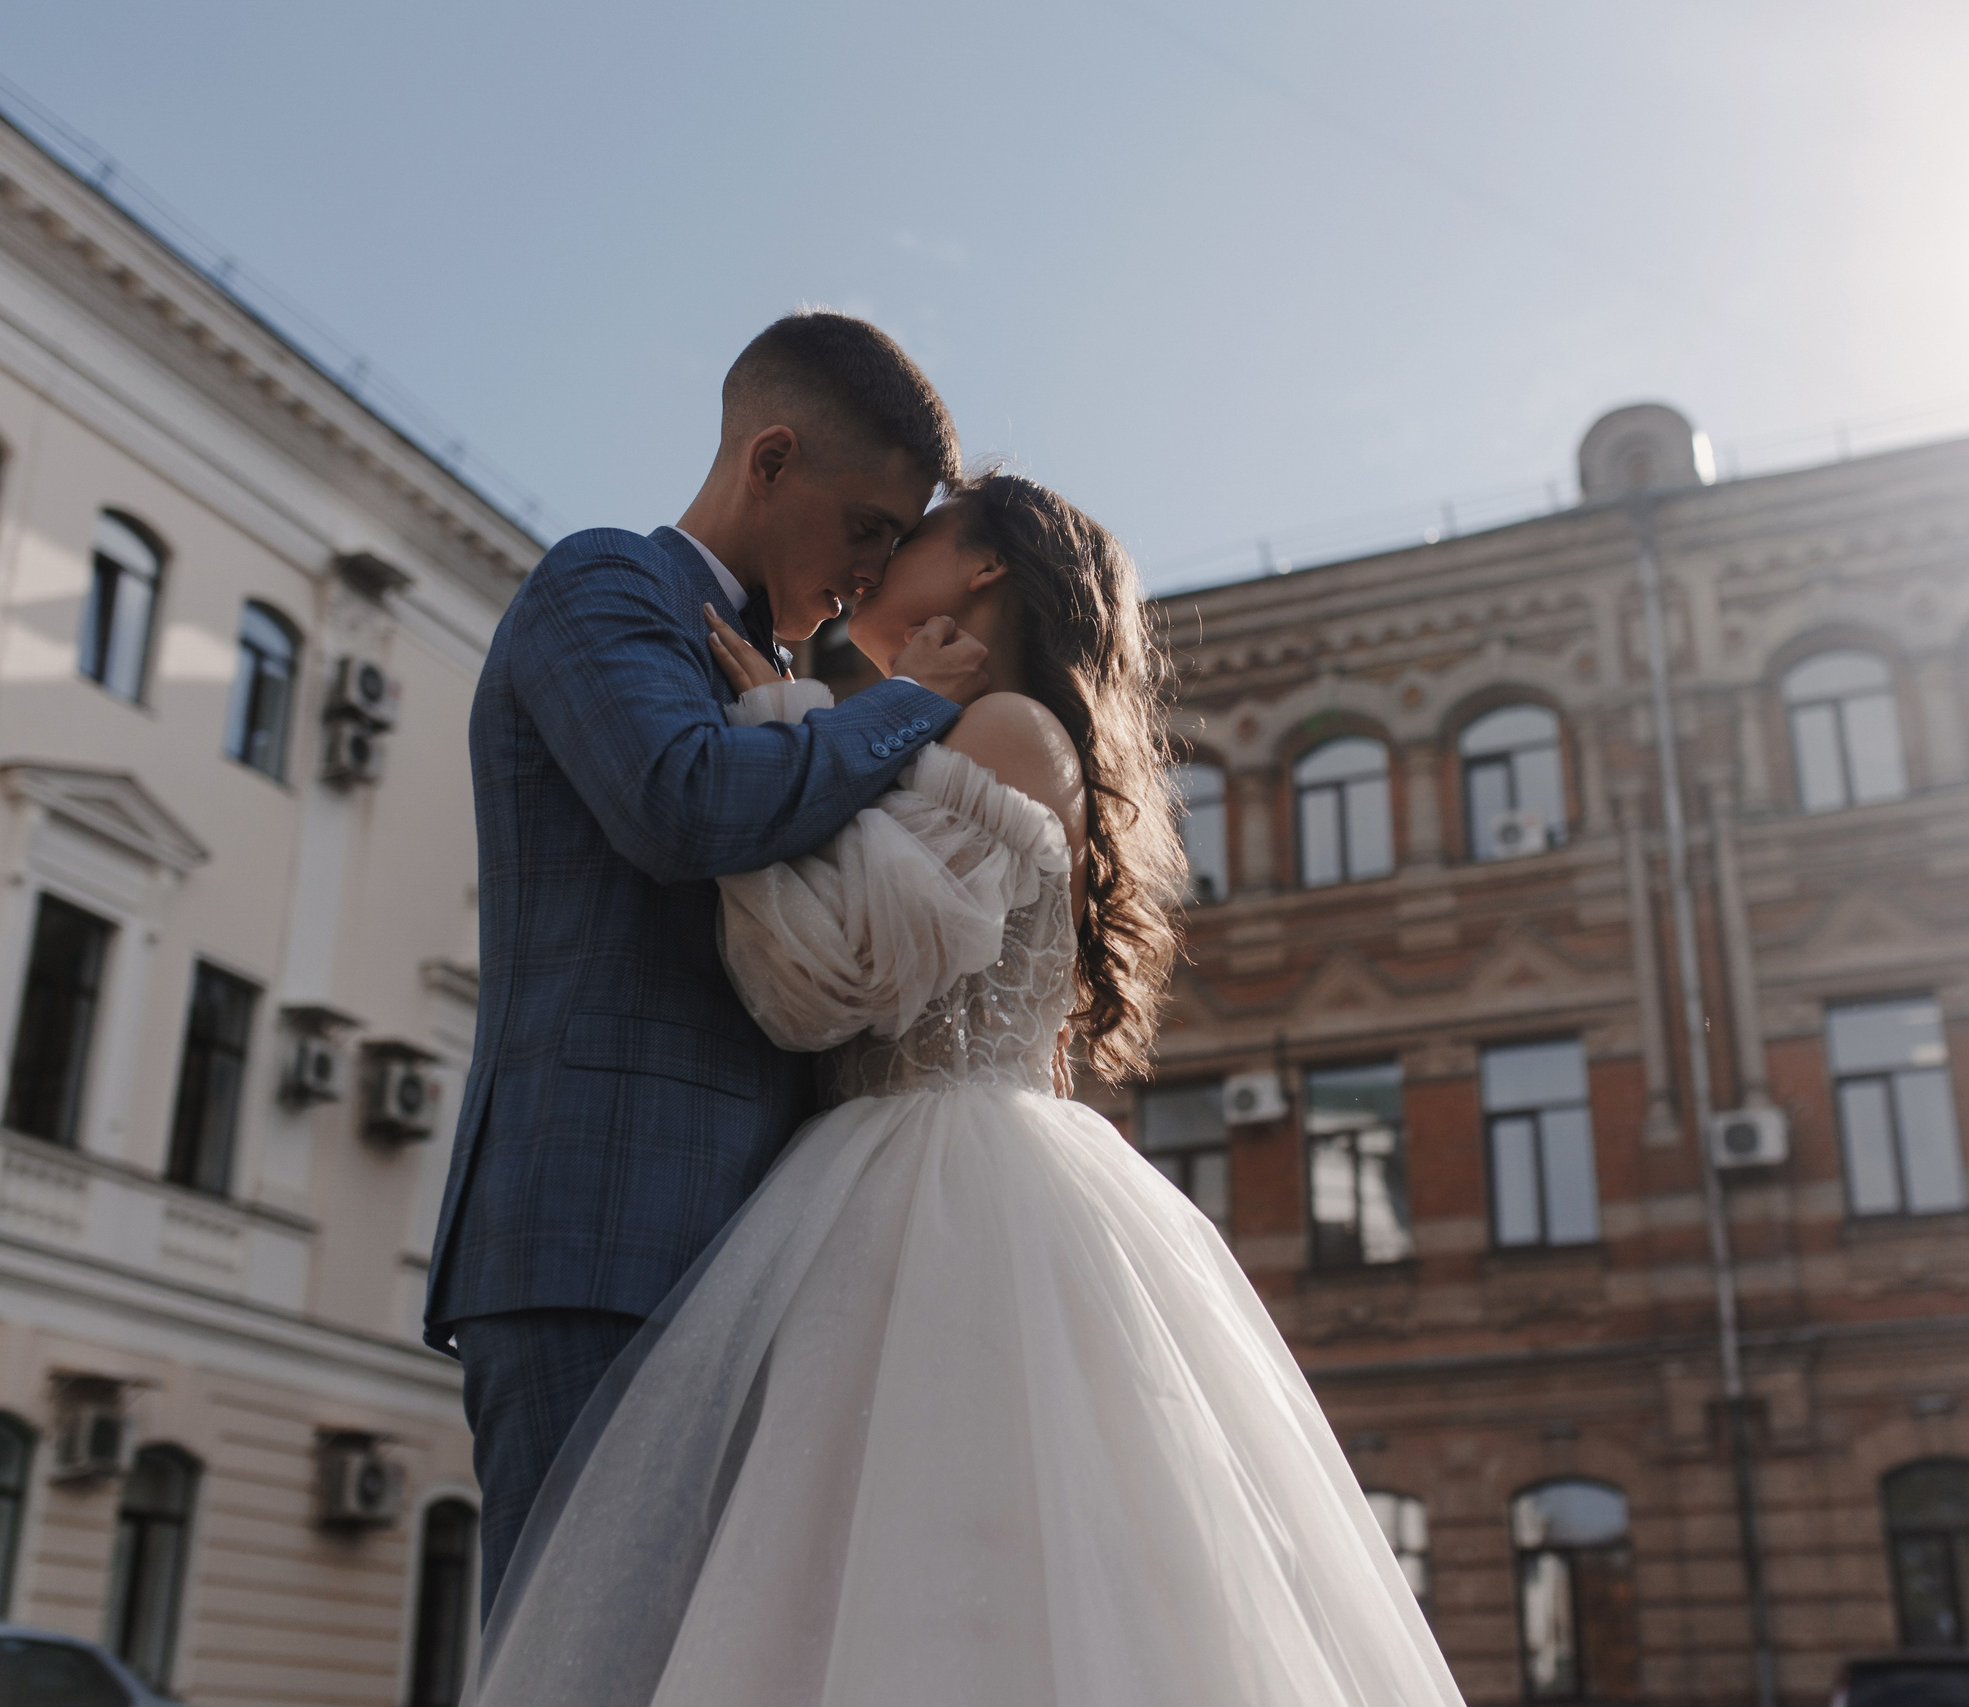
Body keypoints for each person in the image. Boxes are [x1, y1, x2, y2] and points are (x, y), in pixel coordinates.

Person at [475, 475, 1466, 1707]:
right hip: (864, 1184)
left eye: (910, 538)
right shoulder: (947, 733)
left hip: (941, 1194)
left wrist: (780, 723)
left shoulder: (1007, 734)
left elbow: (834, 976)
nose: (874, 562)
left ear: (985, 568)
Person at [421, 311, 992, 1614]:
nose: (873, 572)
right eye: (868, 527)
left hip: (756, 1245)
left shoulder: (788, 683)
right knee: (583, 1657)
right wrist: (908, 707)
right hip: (597, 1233)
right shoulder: (603, 584)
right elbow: (681, 798)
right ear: (771, 457)